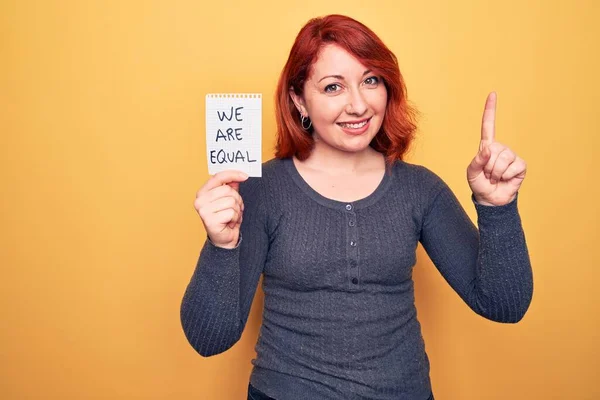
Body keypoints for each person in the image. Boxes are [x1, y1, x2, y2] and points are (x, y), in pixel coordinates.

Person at [180, 14, 533, 400]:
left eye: (370, 81)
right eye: (333, 87)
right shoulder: (259, 191)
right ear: (299, 99)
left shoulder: (419, 188)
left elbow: (504, 304)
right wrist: (221, 247)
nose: (359, 104)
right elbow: (208, 338)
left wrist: (496, 207)